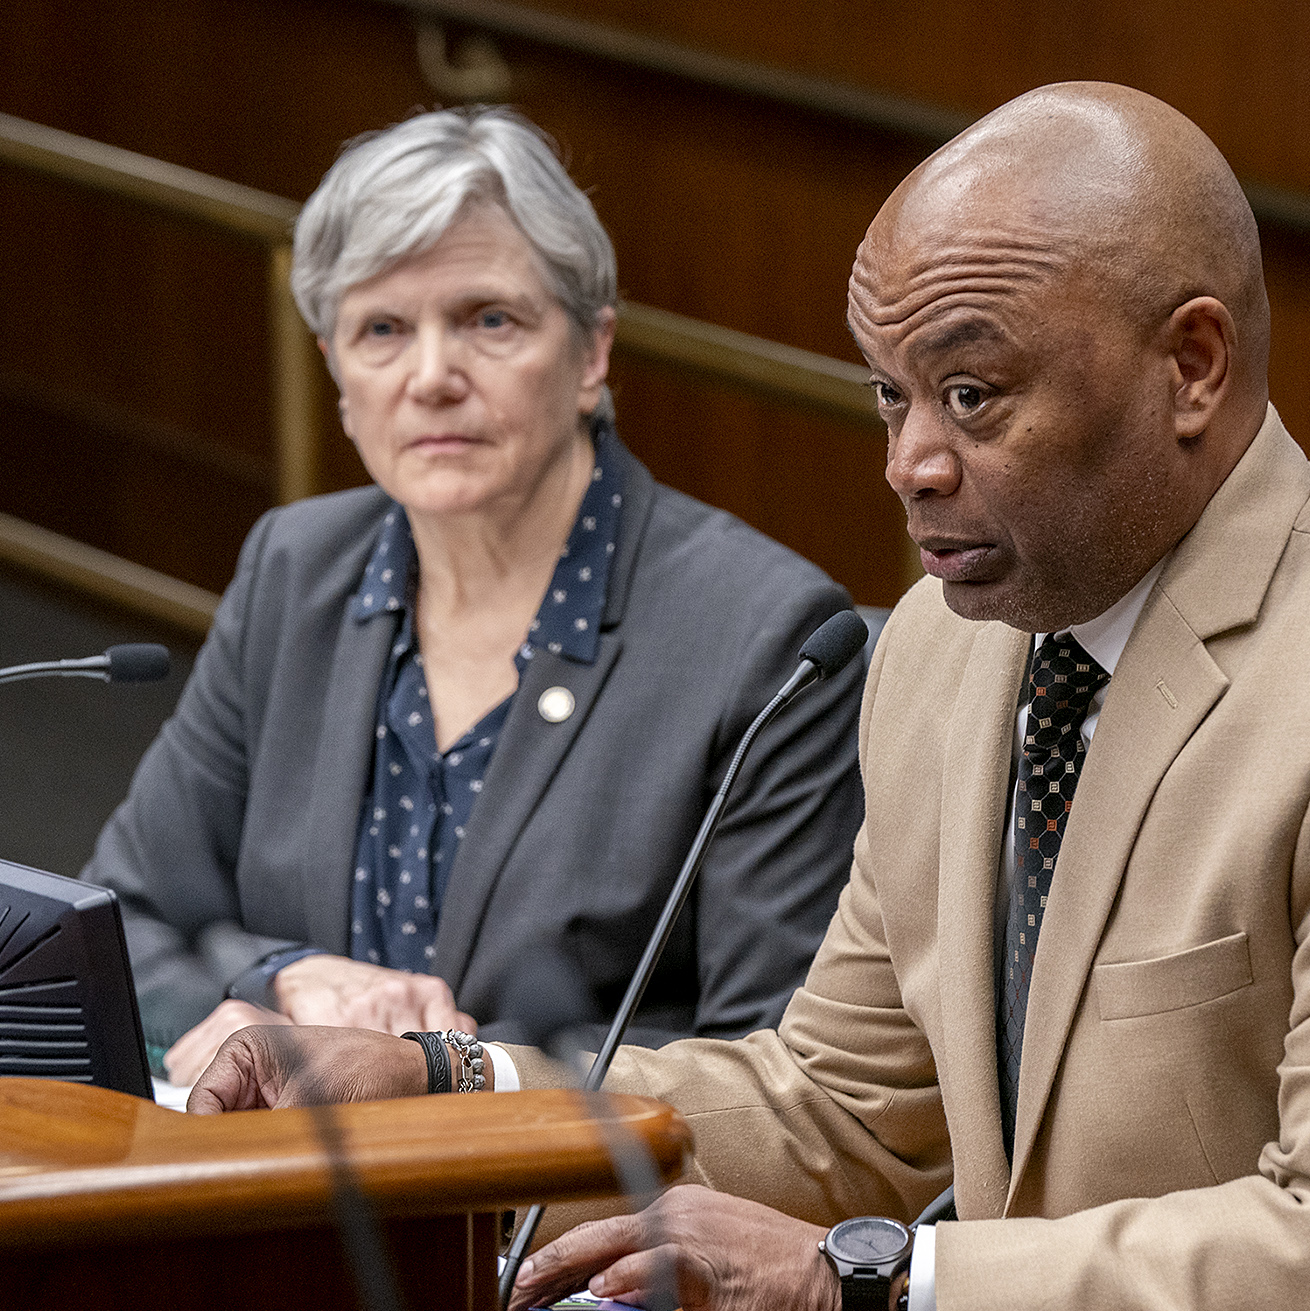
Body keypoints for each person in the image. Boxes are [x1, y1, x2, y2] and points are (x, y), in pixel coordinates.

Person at [188, 85, 1310, 1311]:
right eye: (888, 398)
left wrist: (854, 1279)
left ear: (1192, 368)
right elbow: (834, 1102)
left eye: (972, 393)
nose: (910, 466)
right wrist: (444, 1078)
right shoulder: (945, 651)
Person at [86, 107, 865, 1086]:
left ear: (591, 354)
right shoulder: (295, 566)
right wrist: (286, 979)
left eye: (488, 320)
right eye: (381, 330)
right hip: (280, 1193)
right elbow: (115, 921)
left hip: (567, 1219)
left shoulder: (763, 638)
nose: (431, 377)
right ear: (335, 372)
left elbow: (778, 1071)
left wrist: (445, 1068)